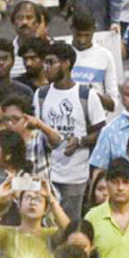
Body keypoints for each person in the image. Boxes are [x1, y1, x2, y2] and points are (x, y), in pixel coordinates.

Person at [34, 41, 107, 221]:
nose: (46, 67)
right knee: (47, 227)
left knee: (70, 226)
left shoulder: (86, 95)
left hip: (76, 176)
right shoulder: (41, 95)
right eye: (44, 62)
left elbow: (101, 132)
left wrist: (80, 141)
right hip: (46, 174)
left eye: (51, 62)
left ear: (66, 64)